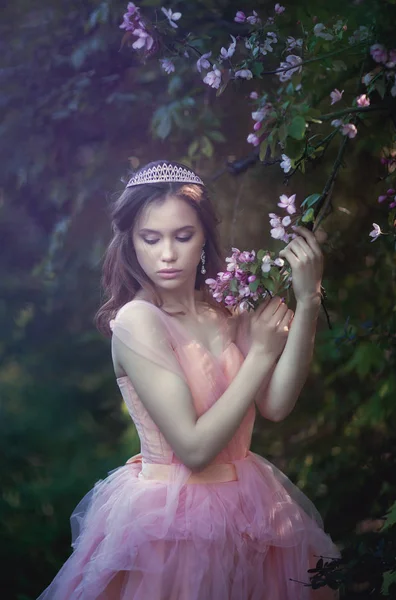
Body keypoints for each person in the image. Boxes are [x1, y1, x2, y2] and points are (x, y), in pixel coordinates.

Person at [37, 160, 340, 600]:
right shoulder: (138, 321)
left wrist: (308, 303)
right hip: (171, 523)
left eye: (183, 236)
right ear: (130, 243)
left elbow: (275, 405)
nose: (167, 254)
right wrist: (259, 356)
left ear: (203, 238)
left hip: (251, 509)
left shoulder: (227, 309)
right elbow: (194, 450)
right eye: (150, 238)